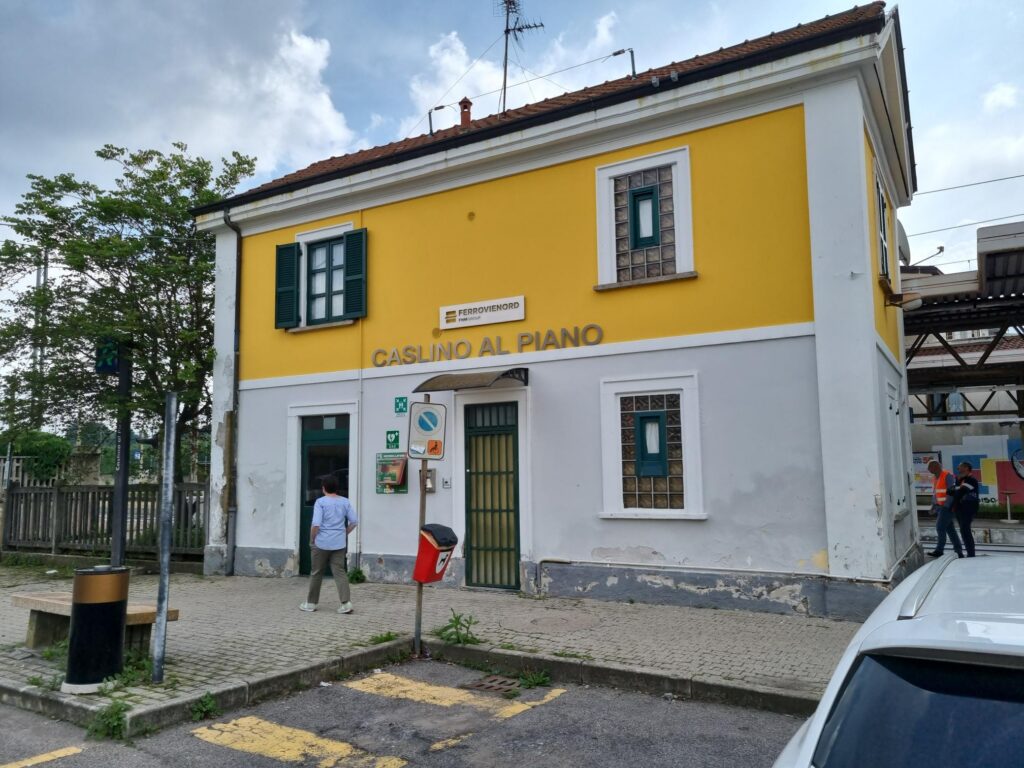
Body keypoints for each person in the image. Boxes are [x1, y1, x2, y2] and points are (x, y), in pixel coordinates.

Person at [300, 474, 358, 614]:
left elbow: (316, 524)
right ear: (337, 488)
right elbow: (354, 522)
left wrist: (312, 539)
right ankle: (346, 603)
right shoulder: (345, 502)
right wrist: (344, 533)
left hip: (321, 542)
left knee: (316, 572)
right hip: (339, 543)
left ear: (323, 488)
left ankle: (311, 603)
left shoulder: (320, 502)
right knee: (340, 572)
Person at [927, 459, 963, 558]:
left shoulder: (947, 475)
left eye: (930, 468)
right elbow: (936, 493)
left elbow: (952, 492)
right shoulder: (935, 478)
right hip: (940, 507)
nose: (928, 470)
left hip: (947, 507)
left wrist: (946, 506)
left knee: (940, 527)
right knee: (950, 530)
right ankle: (958, 551)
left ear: (936, 466)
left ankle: (939, 550)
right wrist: (933, 506)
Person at [952, 461, 979, 558]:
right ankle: (969, 552)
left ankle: (971, 554)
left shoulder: (971, 480)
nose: (958, 469)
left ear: (966, 468)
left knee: (965, 530)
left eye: (960, 467)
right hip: (959, 508)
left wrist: (955, 489)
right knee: (963, 530)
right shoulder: (959, 480)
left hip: (968, 508)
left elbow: (961, 491)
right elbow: (953, 491)